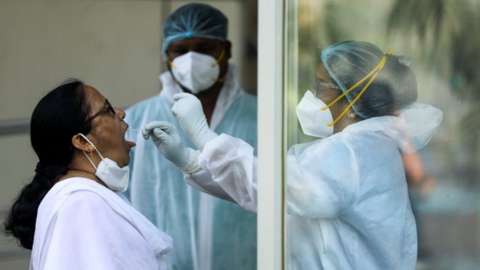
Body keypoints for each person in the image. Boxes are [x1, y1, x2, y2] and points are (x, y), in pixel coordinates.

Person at [143, 41, 443, 269]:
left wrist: (204, 137)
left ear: (351, 98)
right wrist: (191, 161)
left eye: (322, 86)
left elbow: (274, 190)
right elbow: (273, 193)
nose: (313, 95)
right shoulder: (366, 148)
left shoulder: (352, 154)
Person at [124, 3, 257, 270]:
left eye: (204, 48)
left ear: (226, 50)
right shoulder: (137, 121)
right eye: (181, 50)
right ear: (167, 55)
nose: (192, 59)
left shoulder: (263, 117)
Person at [4, 80, 172, 270]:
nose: (121, 113)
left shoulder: (86, 197)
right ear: (82, 142)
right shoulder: (81, 202)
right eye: (108, 110)